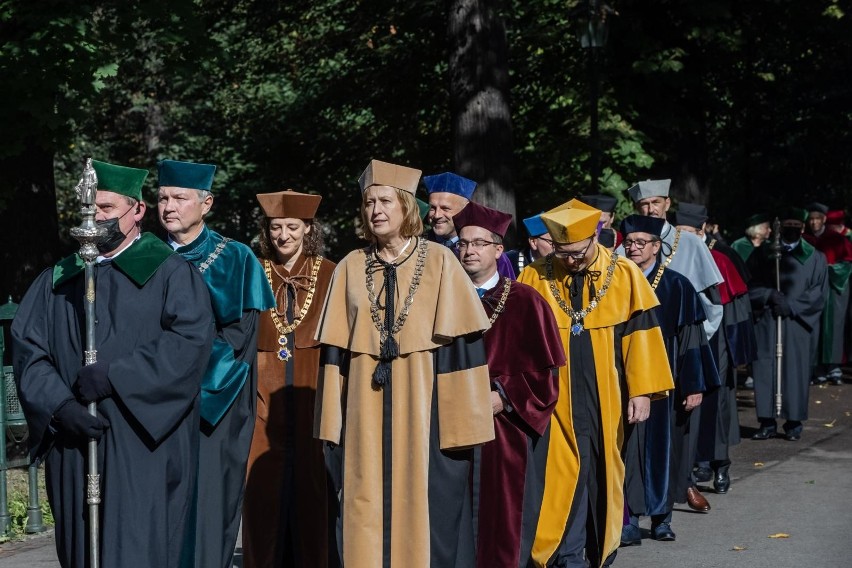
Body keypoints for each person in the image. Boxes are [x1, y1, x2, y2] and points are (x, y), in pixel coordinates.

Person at [12, 160, 214, 567]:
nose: (95, 217)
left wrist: (116, 376)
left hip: (142, 442)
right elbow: (28, 349)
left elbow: (189, 343)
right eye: (88, 208)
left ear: (137, 210)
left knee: (139, 546)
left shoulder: (170, 273)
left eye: (105, 208)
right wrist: (60, 406)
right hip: (74, 442)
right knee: (81, 549)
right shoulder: (59, 278)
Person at [313, 159, 495, 567]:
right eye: (368, 203)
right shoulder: (349, 266)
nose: (375, 210)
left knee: (431, 513)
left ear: (407, 207)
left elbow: (462, 350)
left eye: (385, 201)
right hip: (363, 412)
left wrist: (462, 427)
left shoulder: (441, 262)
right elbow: (334, 356)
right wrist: (331, 425)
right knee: (361, 505)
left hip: (425, 411)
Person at [517, 199, 673, 568]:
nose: (570, 260)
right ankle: (562, 553)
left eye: (578, 252)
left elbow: (642, 334)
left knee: (602, 468)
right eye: (562, 252)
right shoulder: (536, 276)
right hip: (555, 395)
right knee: (560, 471)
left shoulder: (623, 274)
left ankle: (597, 548)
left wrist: (643, 390)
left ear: (596, 237)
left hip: (609, 391)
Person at [157, 158, 275, 568]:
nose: (169, 206)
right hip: (150, 405)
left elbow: (238, 340)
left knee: (208, 510)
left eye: (180, 198)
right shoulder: (144, 257)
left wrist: (173, 382)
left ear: (206, 203)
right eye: (163, 198)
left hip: (214, 404)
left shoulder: (236, 258)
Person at [452, 201, 565, 567]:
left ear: (498, 249)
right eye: (463, 243)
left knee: (504, 516)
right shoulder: (440, 298)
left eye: (479, 243)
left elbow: (545, 374)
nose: (469, 250)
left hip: (504, 428)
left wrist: (503, 396)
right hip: (448, 423)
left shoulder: (525, 301)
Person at [243, 190, 338, 568]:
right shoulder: (254, 269)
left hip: (313, 393)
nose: (283, 235)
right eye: (276, 226)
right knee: (262, 493)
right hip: (263, 399)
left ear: (308, 229)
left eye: (292, 227)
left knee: (313, 491)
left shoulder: (330, 272)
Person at [619, 214, 718, 544]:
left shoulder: (677, 284)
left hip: (669, 382)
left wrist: (693, 384)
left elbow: (692, 339)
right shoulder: (616, 282)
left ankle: (662, 517)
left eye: (640, 243)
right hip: (626, 380)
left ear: (656, 246)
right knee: (628, 448)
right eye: (629, 242)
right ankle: (629, 518)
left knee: (667, 448)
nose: (633, 248)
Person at [674, 204, 756, 495]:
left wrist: (738, 352)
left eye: (690, 233)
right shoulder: (670, 261)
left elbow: (735, 309)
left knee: (718, 404)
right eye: (679, 233)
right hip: (686, 342)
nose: (685, 239)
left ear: (702, 230)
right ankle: (696, 464)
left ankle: (721, 465)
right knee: (688, 406)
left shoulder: (721, 259)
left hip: (717, 342)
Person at [747, 207, 828, 441]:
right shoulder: (763, 254)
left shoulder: (814, 257)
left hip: (797, 323)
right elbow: (748, 286)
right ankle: (767, 421)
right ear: (778, 227)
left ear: (802, 228)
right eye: (787, 224)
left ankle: (793, 422)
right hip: (767, 319)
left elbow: (819, 293)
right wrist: (768, 295)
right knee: (765, 368)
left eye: (796, 225)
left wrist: (792, 305)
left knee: (795, 370)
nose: (791, 229)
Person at [423, 171, 516, 278]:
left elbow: (507, 291)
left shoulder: (490, 254)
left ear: (465, 209)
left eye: (445, 208)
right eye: (432, 208)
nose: (437, 215)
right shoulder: (417, 245)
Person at [803, 202, 852, 385]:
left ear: (824, 220)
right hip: (813, 290)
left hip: (834, 290)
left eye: (818, 219)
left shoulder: (837, 240)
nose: (814, 222)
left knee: (834, 326)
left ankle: (834, 367)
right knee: (814, 326)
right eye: (812, 219)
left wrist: (828, 270)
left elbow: (847, 264)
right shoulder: (805, 240)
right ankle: (816, 368)